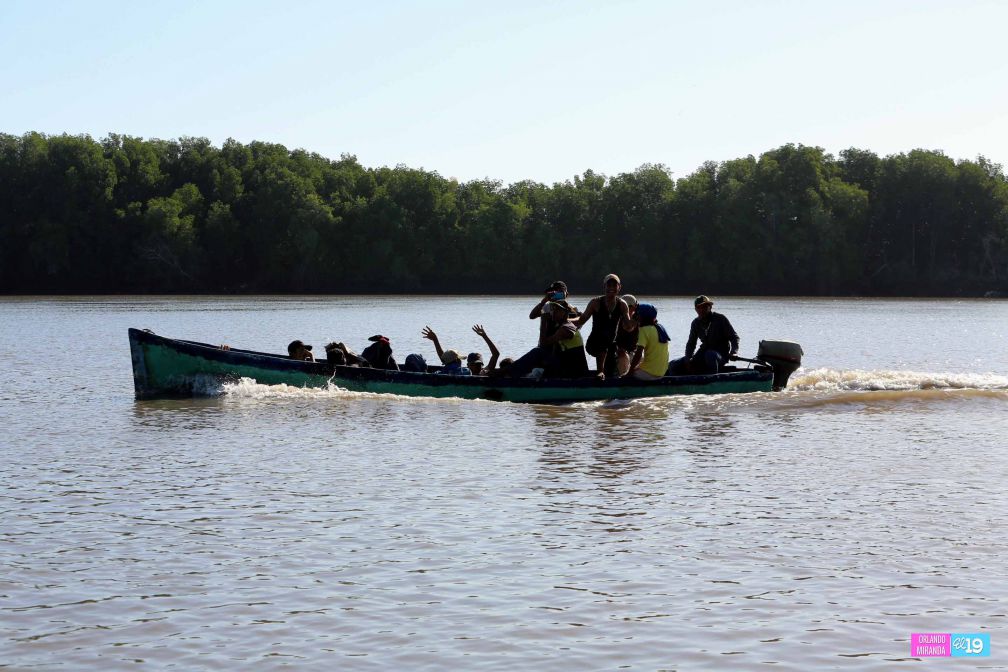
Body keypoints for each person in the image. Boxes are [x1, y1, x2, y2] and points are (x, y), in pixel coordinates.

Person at [509, 301, 589, 378]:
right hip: (568, 366)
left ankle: (507, 373)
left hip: (575, 371)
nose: (553, 312)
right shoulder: (560, 326)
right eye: (553, 309)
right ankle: (511, 371)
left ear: (565, 312)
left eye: (557, 310)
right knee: (540, 356)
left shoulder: (566, 328)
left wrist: (543, 321)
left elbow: (543, 344)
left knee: (537, 352)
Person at [576, 273, 631, 379]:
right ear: (604, 287)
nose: (611, 288)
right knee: (603, 341)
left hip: (610, 346)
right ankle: (600, 371)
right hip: (594, 344)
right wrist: (565, 320)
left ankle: (606, 377)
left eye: (614, 286)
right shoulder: (595, 303)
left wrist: (637, 321)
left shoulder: (622, 304)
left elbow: (628, 326)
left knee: (610, 373)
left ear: (619, 287)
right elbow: (581, 320)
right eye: (608, 285)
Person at [670, 295, 740, 375]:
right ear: (696, 309)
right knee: (674, 364)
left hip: (720, 355)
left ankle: (711, 381)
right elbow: (691, 344)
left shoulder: (720, 319)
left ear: (710, 307)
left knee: (710, 355)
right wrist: (688, 358)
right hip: (703, 353)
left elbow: (734, 337)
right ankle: (676, 384)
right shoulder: (695, 323)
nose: (702, 309)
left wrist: (734, 352)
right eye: (699, 307)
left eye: (705, 306)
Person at [623, 303, 670, 380]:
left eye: (637, 314)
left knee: (625, 375)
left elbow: (638, 354)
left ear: (643, 316)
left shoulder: (644, 330)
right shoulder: (660, 327)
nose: (635, 316)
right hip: (662, 372)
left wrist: (629, 372)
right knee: (635, 368)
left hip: (650, 373)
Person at [529, 281, 580, 346]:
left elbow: (576, 326)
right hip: (544, 346)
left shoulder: (573, 310)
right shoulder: (546, 307)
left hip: (564, 349)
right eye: (553, 291)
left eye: (559, 291)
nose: (556, 293)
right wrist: (544, 300)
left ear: (566, 294)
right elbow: (532, 316)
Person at [615, 294, 639, 376]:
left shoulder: (639, 320)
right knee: (624, 358)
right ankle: (624, 381)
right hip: (618, 354)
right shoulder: (616, 320)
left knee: (641, 357)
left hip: (634, 352)